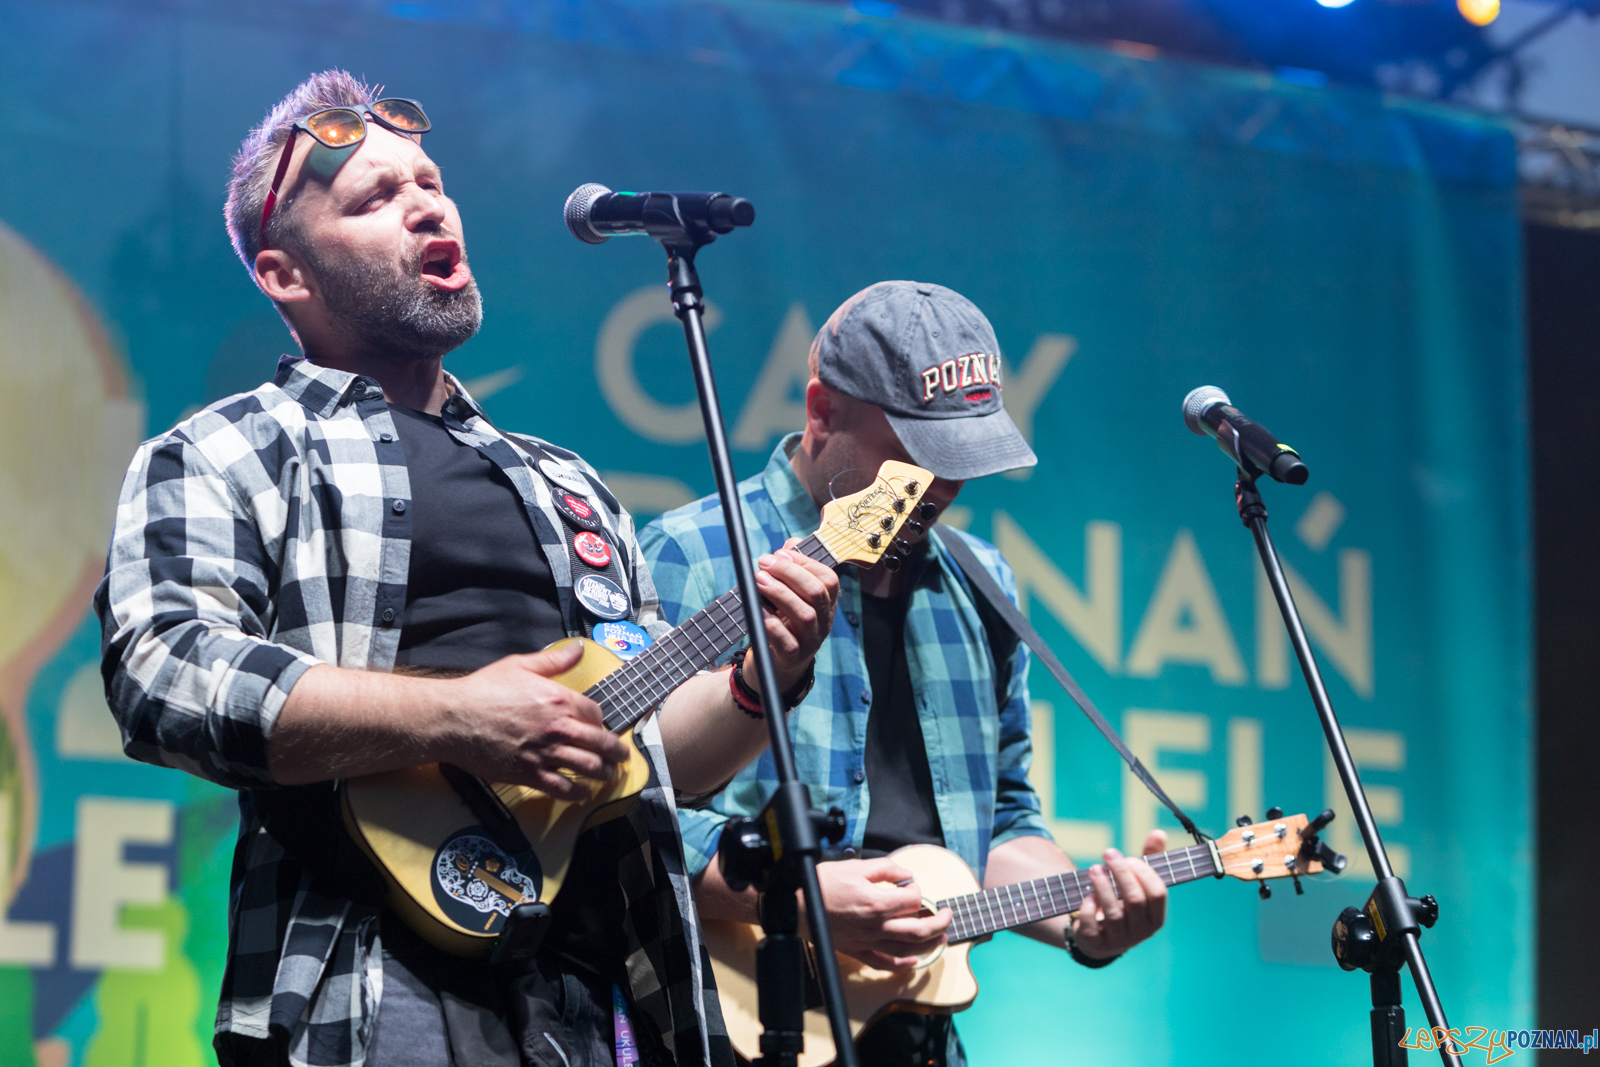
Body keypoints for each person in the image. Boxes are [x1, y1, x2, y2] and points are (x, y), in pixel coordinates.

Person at [94, 70, 838, 1067]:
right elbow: (163, 674)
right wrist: (455, 718)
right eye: (374, 197)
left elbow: (656, 758)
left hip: (616, 986)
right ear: (286, 274)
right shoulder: (226, 451)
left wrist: (760, 679)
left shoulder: (568, 483)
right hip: (370, 985)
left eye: (431, 182)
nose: (427, 204)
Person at [639, 281, 1170, 1066]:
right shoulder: (692, 554)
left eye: (966, 456)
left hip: (919, 1038)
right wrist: (796, 896)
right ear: (822, 412)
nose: (947, 486)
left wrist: (1083, 922)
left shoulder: (984, 584)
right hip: (731, 1026)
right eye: (920, 454)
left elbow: (1003, 821)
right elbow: (621, 811)